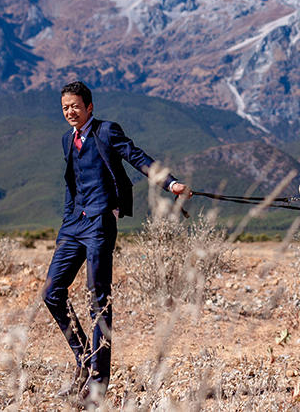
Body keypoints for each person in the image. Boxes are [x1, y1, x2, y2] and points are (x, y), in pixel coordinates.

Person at [43, 81, 190, 400]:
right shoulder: (67, 140)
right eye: (66, 107)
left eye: (76, 106)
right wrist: (68, 216)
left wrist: (170, 182)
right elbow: (72, 183)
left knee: (99, 299)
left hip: (99, 223)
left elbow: (138, 158)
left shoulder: (107, 132)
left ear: (89, 107)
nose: (70, 112)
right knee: (52, 293)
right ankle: (83, 357)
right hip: (73, 225)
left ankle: (97, 382)